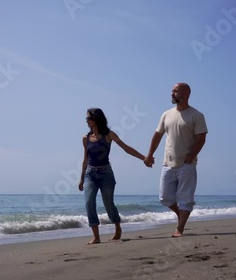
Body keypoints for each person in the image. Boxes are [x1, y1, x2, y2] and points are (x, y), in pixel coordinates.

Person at [144, 82, 208, 237]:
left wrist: (191, 157)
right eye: (172, 91)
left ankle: (180, 228)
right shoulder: (166, 114)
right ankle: (181, 216)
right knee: (165, 198)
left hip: (187, 164)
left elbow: (201, 138)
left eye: (176, 91)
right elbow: (158, 135)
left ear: (186, 94)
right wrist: (150, 154)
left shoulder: (196, 115)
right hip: (167, 163)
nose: (172, 93)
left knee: (186, 198)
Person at [78, 108, 148, 245]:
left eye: (88, 118)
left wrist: (143, 158)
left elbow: (126, 148)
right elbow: (85, 159)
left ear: (95, 119)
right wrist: (81, 178)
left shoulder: (109, 135)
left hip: (106, 174)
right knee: (88, 202)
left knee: (108, 204)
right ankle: (96, 237)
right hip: (90, 174)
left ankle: (117, 227)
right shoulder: (85, 138)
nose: (86, 121)